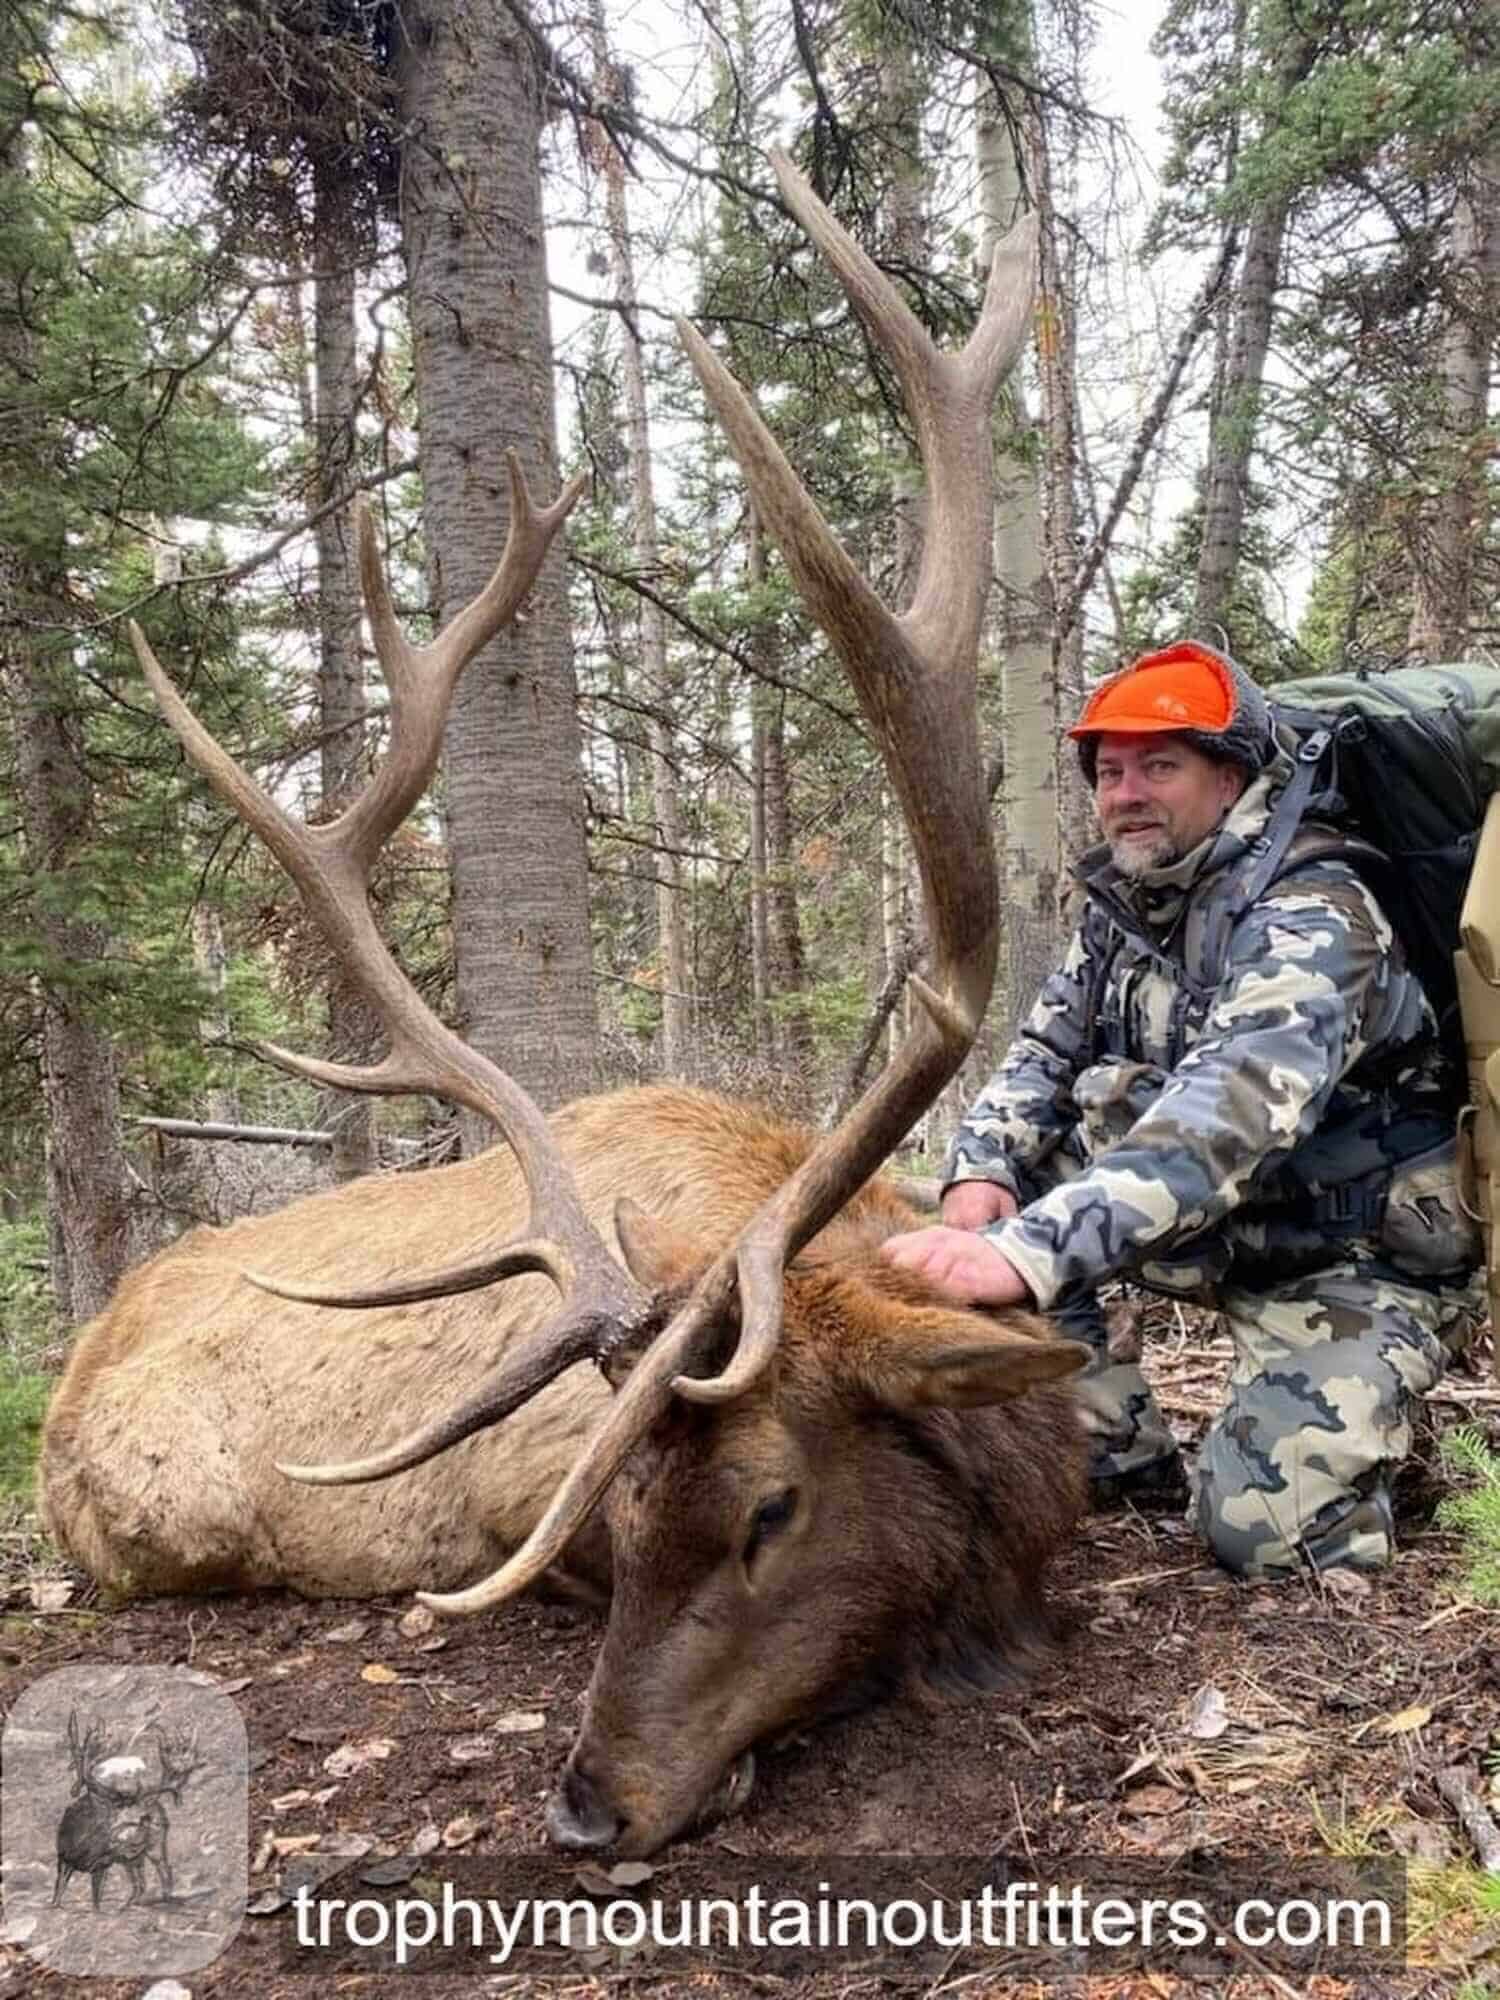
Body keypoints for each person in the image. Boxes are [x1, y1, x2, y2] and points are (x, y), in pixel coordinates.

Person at [881, 640, 1481, 1578]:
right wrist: (982, 1169)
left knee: (1269, 1536)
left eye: (1160, 765)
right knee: (1006, 1195)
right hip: (1229, 1235)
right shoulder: (1128, 908)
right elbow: (1044, 1052)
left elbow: (1222, 1122)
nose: (1126, 793)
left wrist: (1025, 1253)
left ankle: (1345, 1438)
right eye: (1111, 771)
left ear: (1230, 774)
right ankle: (1113, 1449)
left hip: (1354, 1260)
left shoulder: (1316, 913)